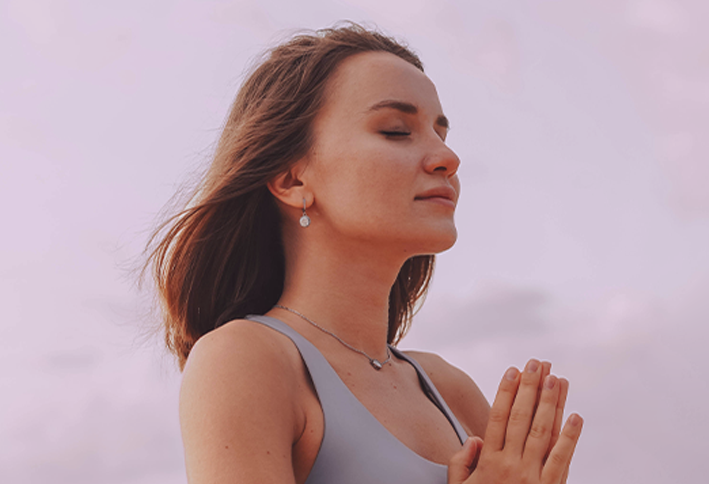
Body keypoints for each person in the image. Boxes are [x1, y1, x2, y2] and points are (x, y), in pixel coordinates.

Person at [148, 23, 585, 484]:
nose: (447, 157)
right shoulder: (244, 359)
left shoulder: (449, 391)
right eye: (397, 131)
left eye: (441, 133)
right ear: (292, 180)